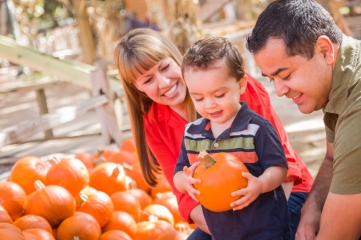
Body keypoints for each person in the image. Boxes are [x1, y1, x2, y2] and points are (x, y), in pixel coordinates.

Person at [114, 28, 313, 239]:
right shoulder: (154, 124)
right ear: (138, 89)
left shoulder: (233, 89)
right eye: (147, 80)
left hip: (280, 196)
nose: (164, 83)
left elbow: (284, 165)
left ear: (176, 59)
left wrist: (257, 225)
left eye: (165, 67)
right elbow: (185, 197)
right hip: (223, 219)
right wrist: (229, 232)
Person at [246, 0, 361, 240]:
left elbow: (336, 236)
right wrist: (311, 208)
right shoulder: (343, 70)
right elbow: (331, 158)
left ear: (325, 50)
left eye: (285, 75)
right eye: (270, 79)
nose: (280, 91)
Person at [173, 37, 291, 239]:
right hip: (222, 231)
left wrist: (261, 184)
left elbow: (278, 168)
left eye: (219, 95)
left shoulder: (256, 128)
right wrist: (185, 181)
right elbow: (178, 173)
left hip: (264, 229)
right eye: (198, 98)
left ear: (241, 84)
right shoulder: (192, 134)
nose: (209, 105)